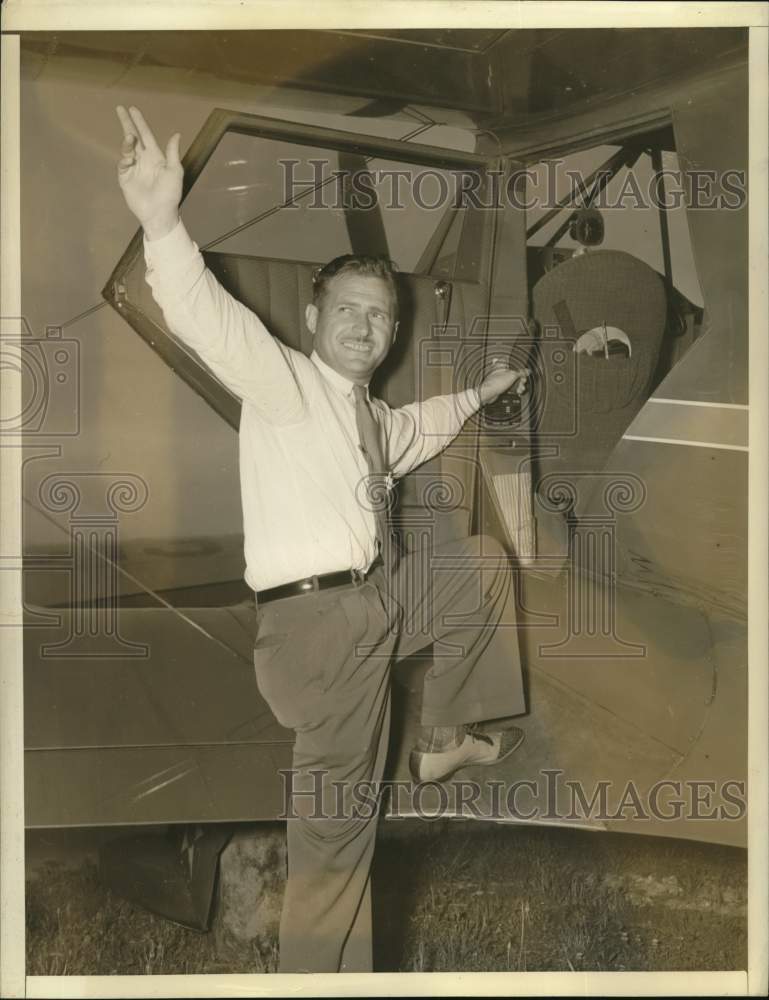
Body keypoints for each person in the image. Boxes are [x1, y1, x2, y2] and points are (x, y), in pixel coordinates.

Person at [116, 105, 528, 973]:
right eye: (347, 310)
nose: (364, 327)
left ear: (391, 334)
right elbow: (207, 319)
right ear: (312, 319)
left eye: (379, 318)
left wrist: (482, 392)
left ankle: (443, 738)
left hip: (370, 608)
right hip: (320, 633)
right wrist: (160, 218)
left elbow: (423, 423)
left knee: (480, 569)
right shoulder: (288, 386)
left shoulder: (369, 417)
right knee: (337, 855)